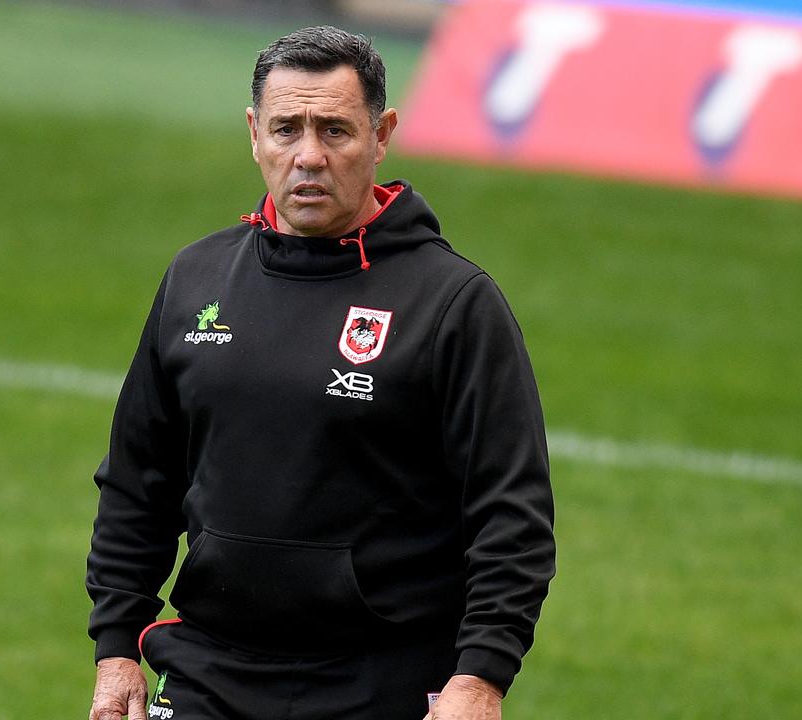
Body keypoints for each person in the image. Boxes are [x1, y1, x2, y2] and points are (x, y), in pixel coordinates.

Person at [87, 25, 555, 720]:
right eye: (286, 129)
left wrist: (481, 675)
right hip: (210, 669)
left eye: (334, 130)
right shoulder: (197, 279)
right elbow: (137, 480)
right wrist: (118, 644)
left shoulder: (453, 305)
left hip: (380, 683)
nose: (308, 156)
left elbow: (511, 513)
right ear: (254, 133)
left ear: (381, 133)